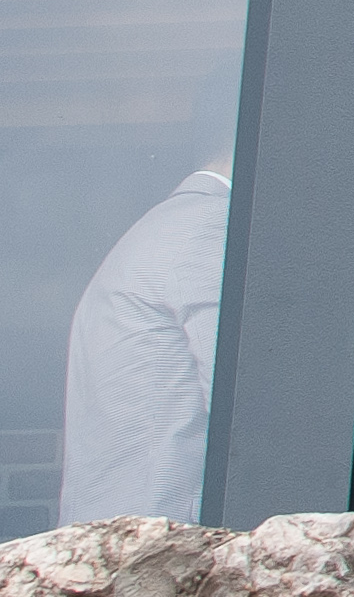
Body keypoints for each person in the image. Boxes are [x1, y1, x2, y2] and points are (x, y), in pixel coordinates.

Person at [59, 64, 238, 524]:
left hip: (115, 545)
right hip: (165, 551)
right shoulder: (210, 227)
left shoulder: (161, 231)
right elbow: (245, 413)